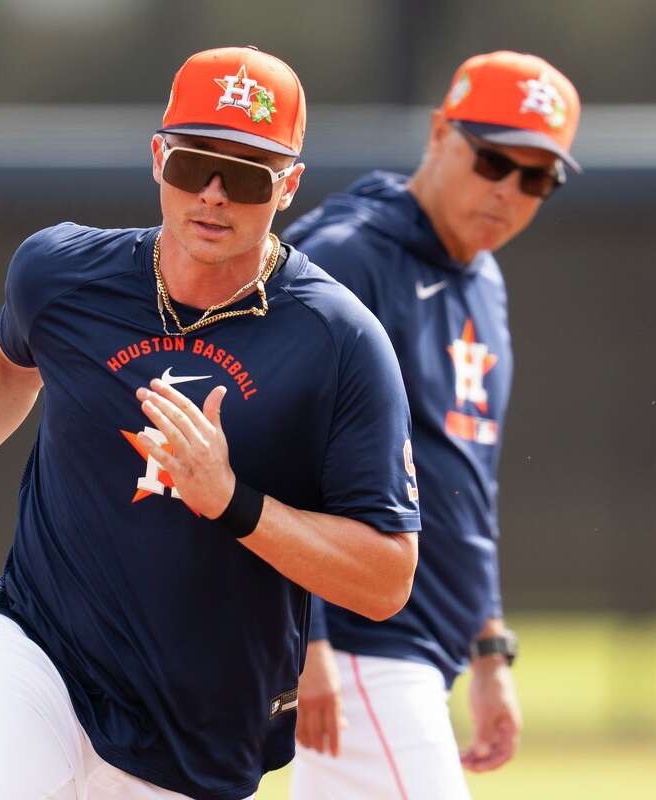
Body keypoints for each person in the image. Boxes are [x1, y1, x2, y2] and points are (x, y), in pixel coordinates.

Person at [0, 45, 421, 800]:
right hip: (40, 654)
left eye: (243, 174)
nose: (211, 194)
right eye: (190, 165)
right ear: (156, 158)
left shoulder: (341, 341)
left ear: (290, 184)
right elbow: (7, 358)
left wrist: (235, 503)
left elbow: (387, 578)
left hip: (201, 724)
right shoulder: (64, 275)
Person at [280, 51, 583, 799]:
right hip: (356, 639)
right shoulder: (348, 258)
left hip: (419, 645)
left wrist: (488, 650)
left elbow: (465, 476)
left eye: (536, 176)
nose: (509, 189)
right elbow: (277, 446)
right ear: (440, 132)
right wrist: (305, 639)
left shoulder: (482, 276)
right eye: (492, 160)